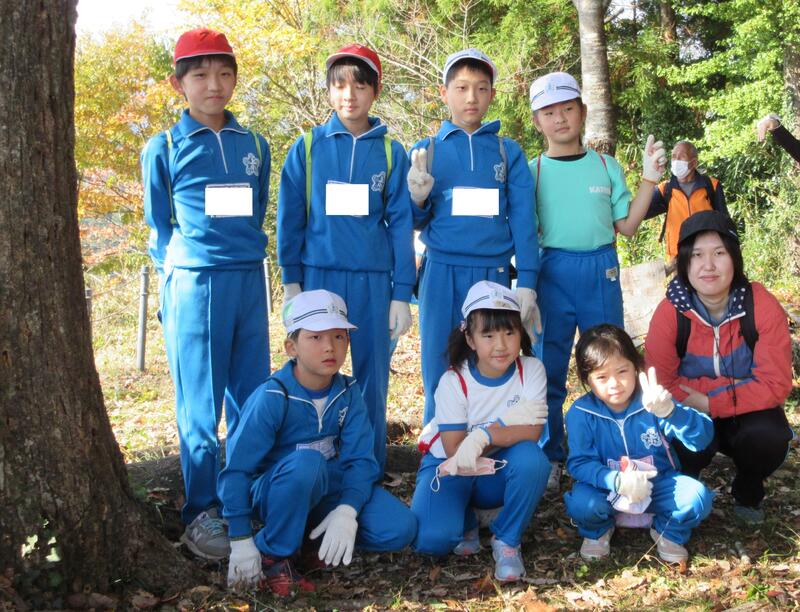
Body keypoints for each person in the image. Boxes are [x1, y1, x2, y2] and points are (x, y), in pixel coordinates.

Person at [141, 28, 271, 559]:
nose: (213, 85)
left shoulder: (255, 144)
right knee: (200, 406)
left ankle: (244, 500)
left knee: (251, 399)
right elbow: (158, 224)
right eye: (200, 75)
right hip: (194, 284)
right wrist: (175, 277)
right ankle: (200, 511)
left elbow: (255, 209)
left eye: (223, 74)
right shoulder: (165, 146)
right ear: (179, 84)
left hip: (248, 280)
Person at [219, 290, 417, 595]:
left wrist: (347, 510)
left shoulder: (348, 391)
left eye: (338, 336)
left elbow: (361, 461)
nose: (329, 347)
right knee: (307, 463)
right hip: (275, 491)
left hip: (327, 487)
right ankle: (271, 553)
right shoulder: (273, 396)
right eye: (315, 337)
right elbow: (236, 471)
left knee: (400, 527)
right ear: (291, 347)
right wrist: (240, 538)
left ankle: (309, 542)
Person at [277, 44, 415, 475]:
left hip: (374, 280)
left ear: (376, 90)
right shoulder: (308, 148)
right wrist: (292, 280)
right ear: (328, 91)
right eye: (339, 86)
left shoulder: (391, 152)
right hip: (319, 277)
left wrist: (402, 293)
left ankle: (367, 469)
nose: (349, 95)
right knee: (314, 372)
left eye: (359, 85)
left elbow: (401, 224)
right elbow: (291, 217)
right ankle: (311, 468)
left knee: (373, 377)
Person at [527, 71, 667, 488]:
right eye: (549, 112)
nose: (560, 118)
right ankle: (551, 455)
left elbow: (628, 225)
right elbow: (523, 229)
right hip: (552, 271)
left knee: (612, 362)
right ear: (536, 120)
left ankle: (618, 449)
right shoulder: (532, 171)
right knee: (548, 366)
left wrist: (649, 179)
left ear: (583, 111)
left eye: (568, 108)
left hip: (601, 268)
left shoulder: (605, 166)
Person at [406, 48, 541, 427]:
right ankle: (437, 443)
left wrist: (527, 281)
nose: (471, 98)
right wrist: (417, 197)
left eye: (481, 89)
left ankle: (489, 440)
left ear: (492, 95)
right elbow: (411, 221)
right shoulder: (426, 151)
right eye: (462, 88)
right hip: (440, 271)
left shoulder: (506, 151)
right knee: (438, 360)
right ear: (444, 92)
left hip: (492, 274)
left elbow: (524, 220)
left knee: (490, 361)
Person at [645, 210, 794, 525]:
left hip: (746, 415)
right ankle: (685, 487)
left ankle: (748, 491)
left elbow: (776, 384)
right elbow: (661, 384)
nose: (708, 265)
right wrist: (727, 392)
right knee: (675, 427)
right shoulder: (670, 313)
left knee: (768, 436)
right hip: (694, 410)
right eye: (697, 255)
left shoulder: (760, 305)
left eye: (719, 253)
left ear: (734, 258)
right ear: (684, 263)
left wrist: (710, 400)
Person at [411, 281, 550, 582]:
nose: (501, 345)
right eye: (488, 335)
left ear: (520, 333)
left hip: (496, 465)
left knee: (533, 460)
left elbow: (533, 431)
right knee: (432, 541)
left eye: (509, 333)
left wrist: (485, 436)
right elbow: (455, 451)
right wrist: (503, 427)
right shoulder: (454, 381)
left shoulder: (531, 370)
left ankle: (507, 539)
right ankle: (467, 518)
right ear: (470, 339)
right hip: (452, 467)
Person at [564, 324, 714, 563]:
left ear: (636, 367)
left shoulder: (653, 400)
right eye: (602, 377)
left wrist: (672, 413)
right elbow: (579, 463)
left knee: (696, 496)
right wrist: (616, 481)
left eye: (622, 371)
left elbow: (702, 438)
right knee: (582, 504)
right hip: (607, 489)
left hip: (658, 486)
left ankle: (668, 531)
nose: (614, 384)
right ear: (586, 379)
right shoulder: (581, 413)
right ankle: (599, 529)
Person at [644, 140, 728, 264]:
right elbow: (641, 213)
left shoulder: (711, 186)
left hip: (707, 257)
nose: (676, 160)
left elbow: (725, 224)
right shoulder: (665, 189)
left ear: (694, 163)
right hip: (677, 260)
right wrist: (648, 180)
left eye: (681, 157)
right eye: (673, 157)